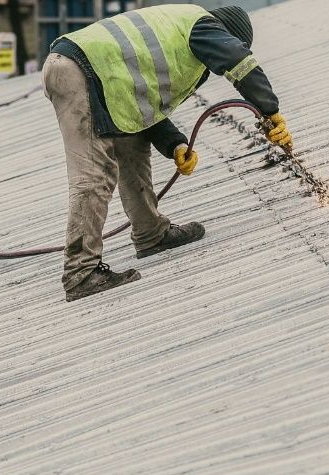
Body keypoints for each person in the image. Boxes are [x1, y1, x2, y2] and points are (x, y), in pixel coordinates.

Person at [42, 4, 292, 302]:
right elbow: (239, 62)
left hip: (99, 78)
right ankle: (80, 272)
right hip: (75, 72)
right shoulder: (201, 25)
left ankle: (151, 234)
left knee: (131, 146)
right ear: (226, 33)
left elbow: (145, 107)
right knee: (95, 173)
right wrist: (269, 110)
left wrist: (175, 144)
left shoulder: (176, 33)